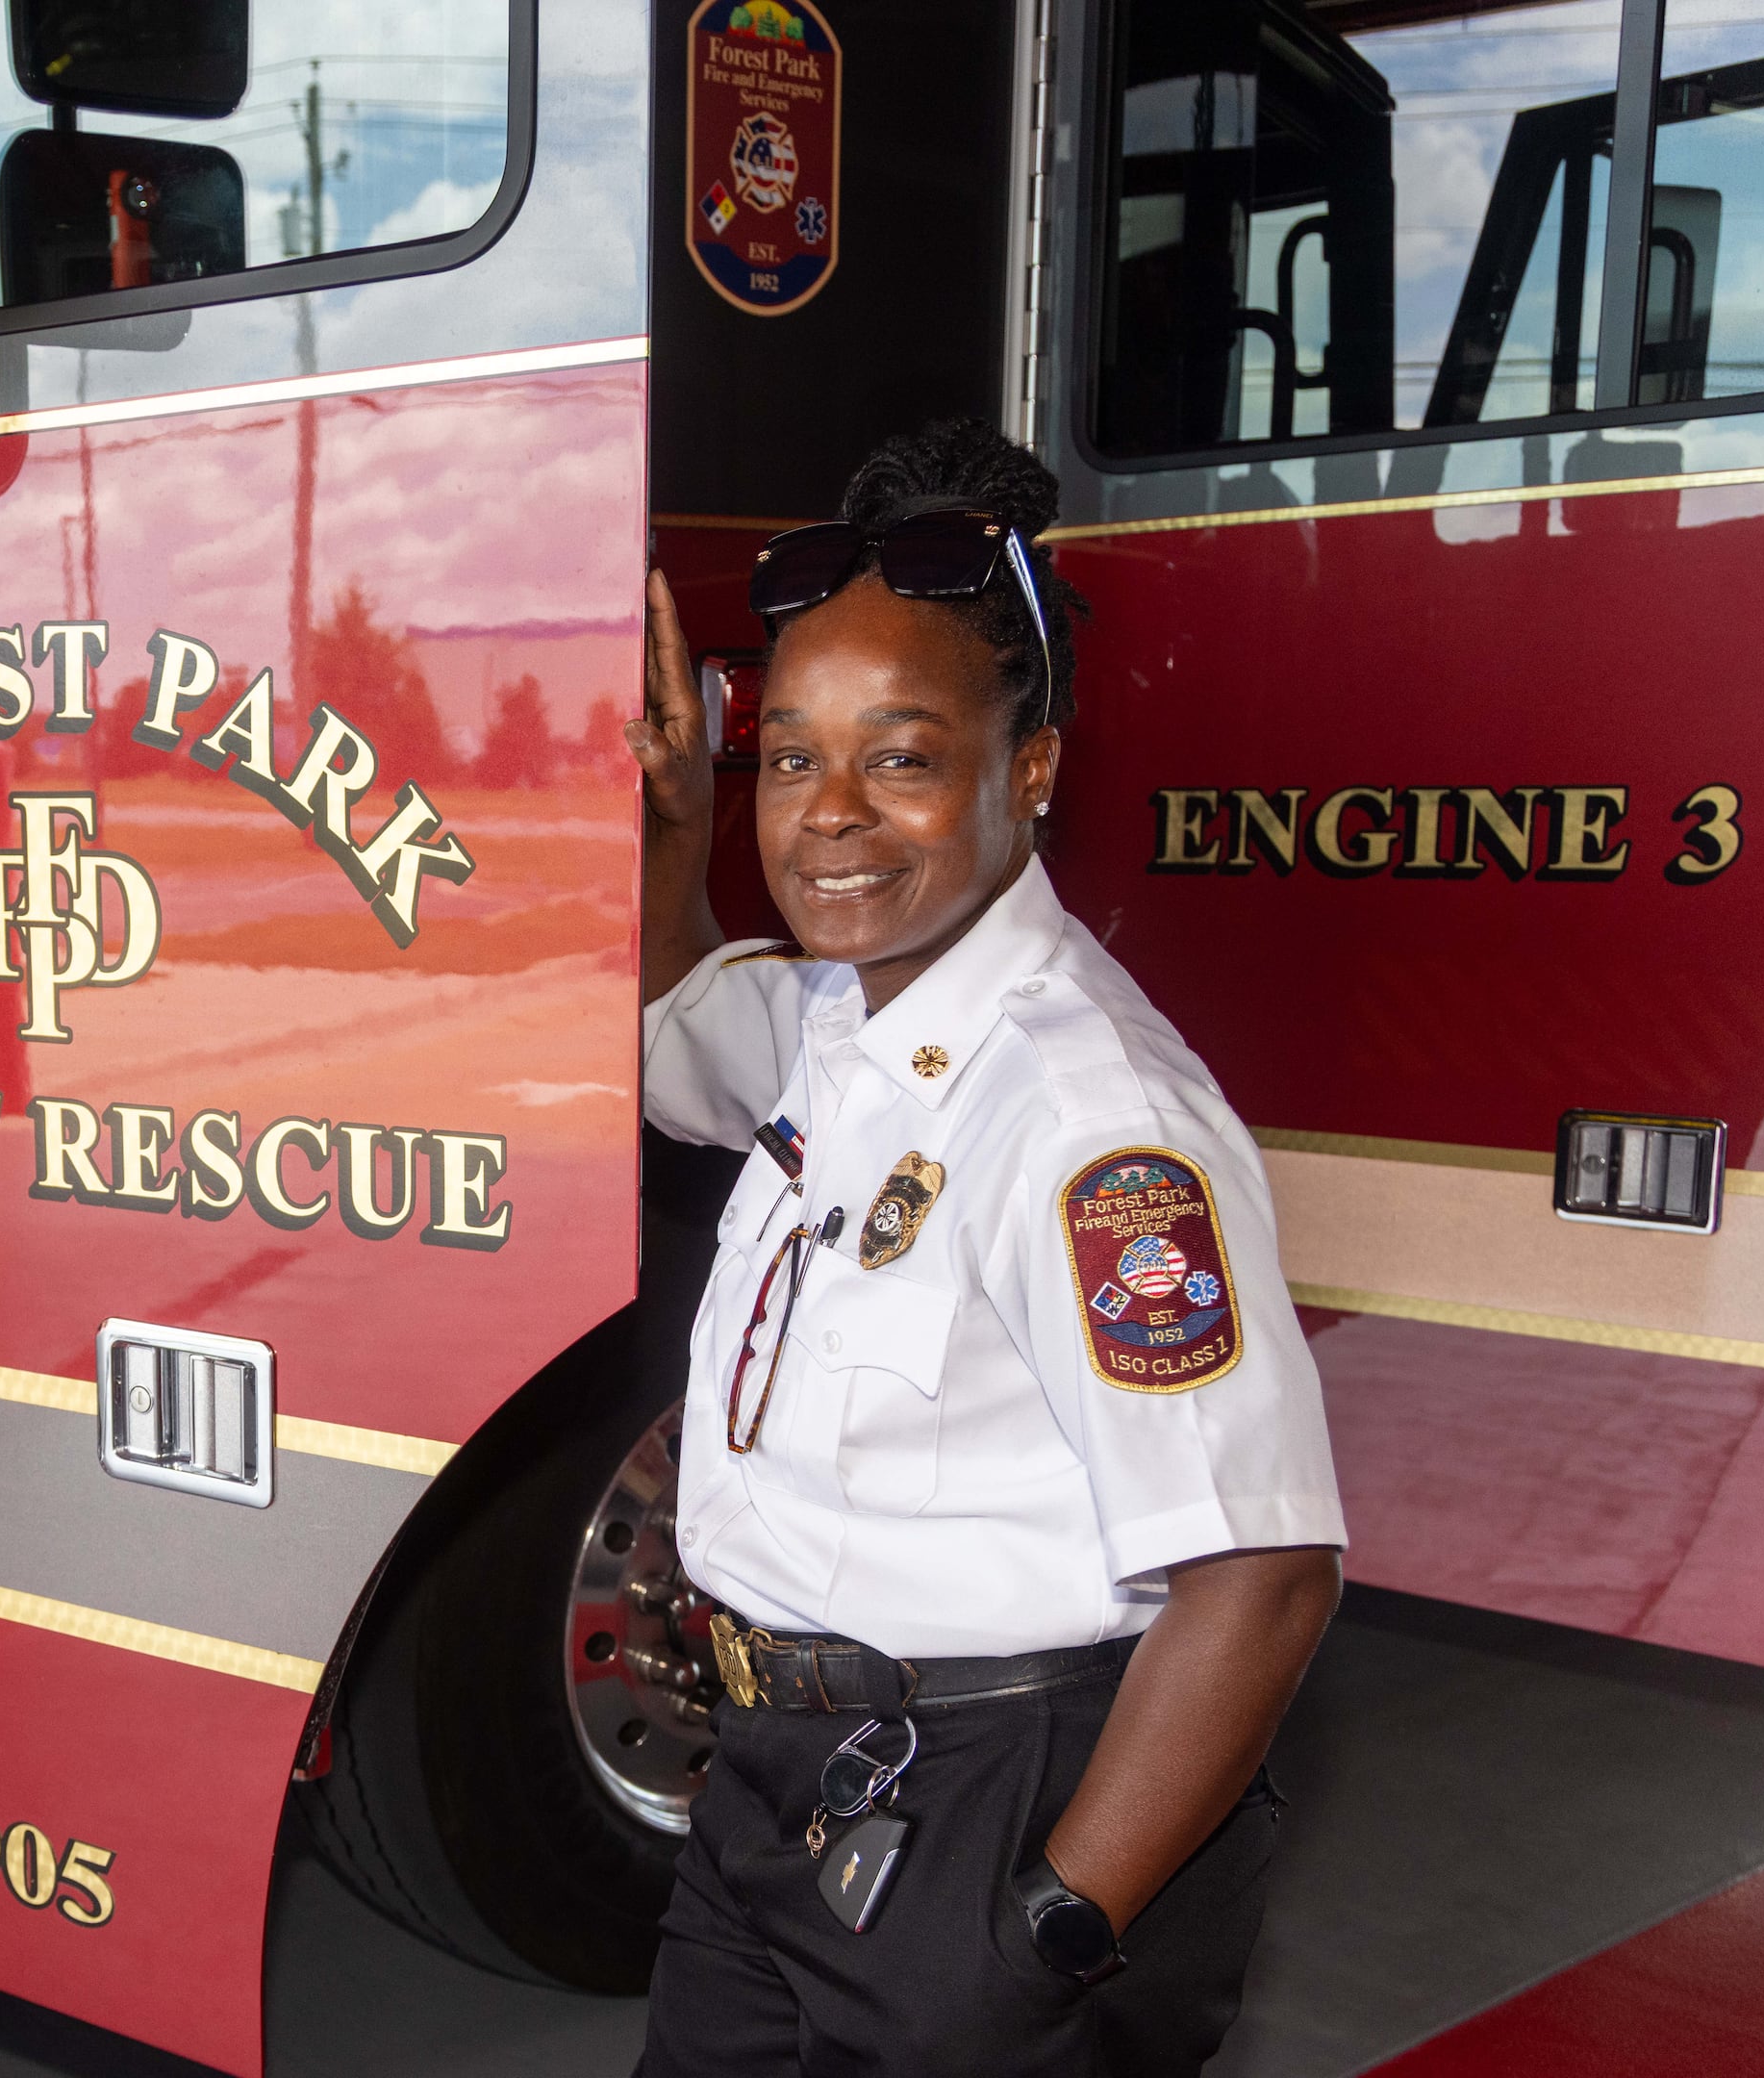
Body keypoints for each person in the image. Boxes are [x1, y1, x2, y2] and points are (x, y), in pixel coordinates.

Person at [622, 420, 1343, 2076]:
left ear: (1029, 768)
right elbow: (673, 1044)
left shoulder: (1094, 1122)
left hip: (987, 1809)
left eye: (902, 754)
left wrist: (1049, 1936)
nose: (828, 817)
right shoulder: (839, 1013)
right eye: (792, 757)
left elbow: (1264, 1578)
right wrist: (679, 828)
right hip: (770, 1809)